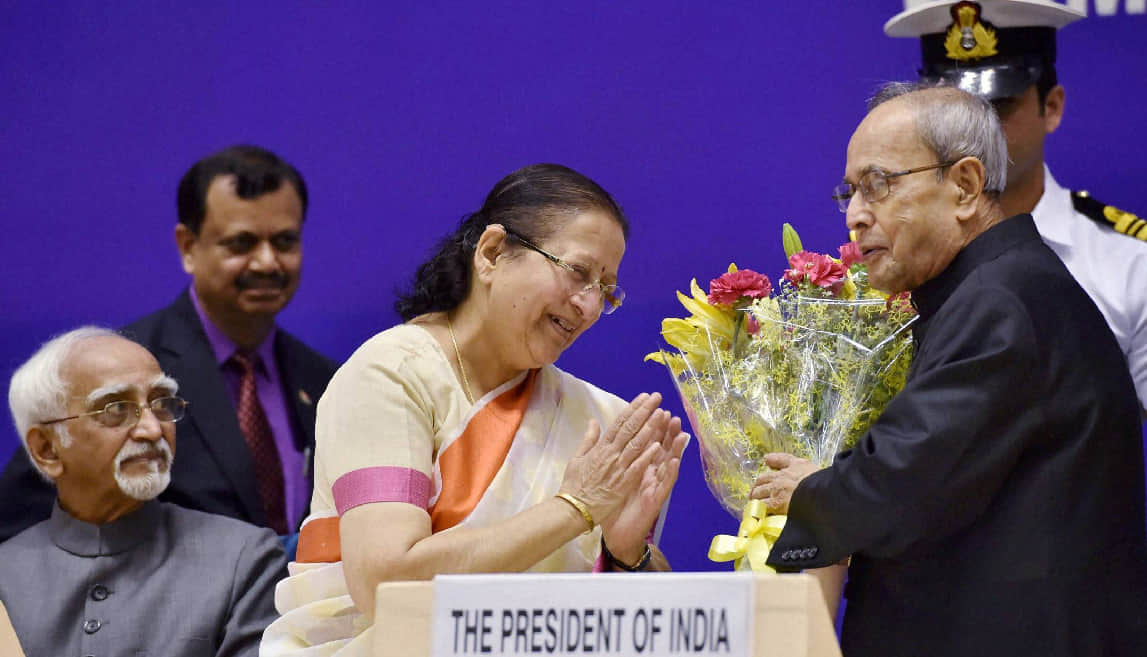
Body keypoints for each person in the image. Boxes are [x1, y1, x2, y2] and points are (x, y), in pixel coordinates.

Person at [755, 84, 1147, 656]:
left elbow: (901, 483)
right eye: (850, 192)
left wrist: (810, 493)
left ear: (964, 186)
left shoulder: (998, 301)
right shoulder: (996, 287)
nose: (857, 216)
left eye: (878, 185)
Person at [261, 163, 690, 656]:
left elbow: (643, 634)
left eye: (606, 290)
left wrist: (626, 554)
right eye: (577, 272)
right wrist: (575, 509)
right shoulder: (391, 374)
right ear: (491, 253)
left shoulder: (596, 418)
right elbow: (387, 586)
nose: (589, 306)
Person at [0, 145, 340, 542]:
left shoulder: (324, 381)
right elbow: (14, 532)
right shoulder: (114, 376)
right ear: (188, 247)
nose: (267, 262)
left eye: (284, 242)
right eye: (241, 243)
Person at [885, 0, 1147, 410]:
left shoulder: (1131, 266)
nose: (975, 132)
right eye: (954, 112)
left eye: (998, 107)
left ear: (1052, 106)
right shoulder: (889, 260)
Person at [0, 327, 286, 657]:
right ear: (47, 449)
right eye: (115, 409)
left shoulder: (244, 560)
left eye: (162, 403)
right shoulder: (6, 578)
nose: (153, 430)